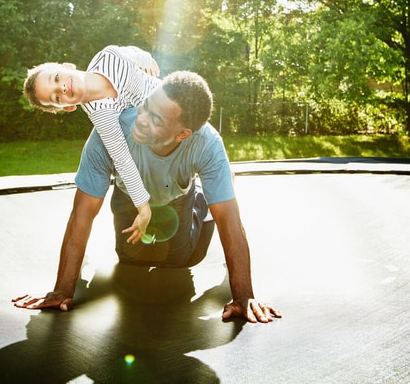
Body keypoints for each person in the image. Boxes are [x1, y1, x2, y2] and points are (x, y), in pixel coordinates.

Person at [14, 71, 281, 323]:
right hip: (128, 195)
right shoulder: (110, 131)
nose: (141, 119)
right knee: (131, 258)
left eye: (156, 120)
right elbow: (83, 212)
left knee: (180, 260)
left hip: (177, 197)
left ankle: (206, 194)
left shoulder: (206, 144)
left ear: (182, 134)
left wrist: (243, 295)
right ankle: (203, 189)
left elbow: (229, 220)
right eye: (145, 107)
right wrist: (62, 290)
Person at [23, 45, 160, 244]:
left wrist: (147, 59)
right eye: (56, 97)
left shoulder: (108, 56)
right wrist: (143, 207)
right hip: (151, 140)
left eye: (56, 78)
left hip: (170, 104)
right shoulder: (100, 114)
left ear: (67, 66)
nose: (60, 88)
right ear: (68, 107)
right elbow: (121, 158)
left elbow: (133, 52)